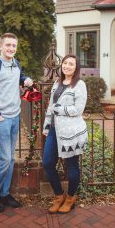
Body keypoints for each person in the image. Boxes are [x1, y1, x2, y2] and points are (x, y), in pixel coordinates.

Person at [0, 32, 33, 213]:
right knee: (4, 159)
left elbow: (17, 75)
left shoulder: (15, 63)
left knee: (10, 160)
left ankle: (4, 194)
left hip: (15, 116)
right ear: (1, 46)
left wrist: (24, 79)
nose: (11, 48)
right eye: (8, 45)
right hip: (0, 119)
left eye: (14, 46)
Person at [42, 54, 88, 214]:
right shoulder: (57, 83)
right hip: (55, 130)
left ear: (76, 68)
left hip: (71, 133)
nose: (67, 66)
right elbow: (50, 107)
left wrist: (59, 110)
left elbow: (78, 109)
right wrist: (46, 126)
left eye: (71, 64)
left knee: (72, 167)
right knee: (47, 162)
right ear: (61, 65)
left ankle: (70, 198)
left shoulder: (79, 85)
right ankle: (58, 196)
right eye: (65, 63)